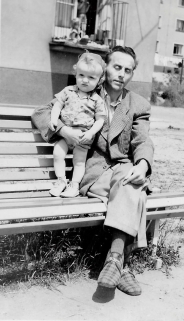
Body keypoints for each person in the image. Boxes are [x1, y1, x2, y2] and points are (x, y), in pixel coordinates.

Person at [31, 46, 154, 296]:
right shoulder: (83, 90)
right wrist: (63, 130)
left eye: (127, 70)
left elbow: (142, 141)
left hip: (122, 169)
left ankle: (114, 260)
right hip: (94, 173)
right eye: (116, 67)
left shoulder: (137, 104)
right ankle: (123, 264)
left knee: (131, 178)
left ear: (132, 75)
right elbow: (41, 113)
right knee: (136, 190)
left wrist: (143, 164)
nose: (121, 74)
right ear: (105, 68)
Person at [45, 52, 106, 197]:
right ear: (76, 74)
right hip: (65, 133)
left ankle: (74, 185)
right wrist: (54, 119)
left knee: (79, 162)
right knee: (58, 153)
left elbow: (100, 120)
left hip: (83, 136)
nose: (85, 80)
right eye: (81, 75)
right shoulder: (68, 91)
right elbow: (57, 106)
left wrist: (91, 132)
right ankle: (61, 181)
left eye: (91, 77)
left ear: (99, 80)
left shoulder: (97, 100)